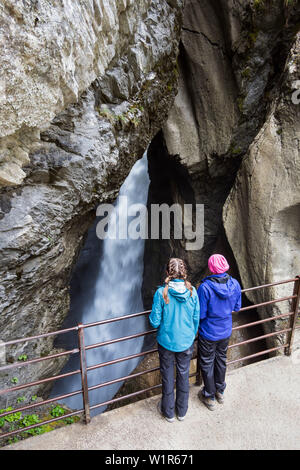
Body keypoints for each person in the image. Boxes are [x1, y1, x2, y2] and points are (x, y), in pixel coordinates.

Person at [149, 258, 200, 422]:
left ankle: (169, 412)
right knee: (184, 375)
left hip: (166, 342)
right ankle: (182, 411)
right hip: (186, 341)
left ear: (167, 273)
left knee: (168, 376)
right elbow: (196, 317)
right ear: (184, 273)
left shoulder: (160, 293)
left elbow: (154, 322)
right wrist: (191, 334)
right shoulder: (192, 291)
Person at [197, 254, 241, 411]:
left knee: (207, 362)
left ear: (211, 268)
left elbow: (201, 314)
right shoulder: (235, 284)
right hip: (225, 330)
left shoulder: (205, 287)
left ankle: (209, 395)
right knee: (221, 359)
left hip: (208, 332)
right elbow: (236, 308)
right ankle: (220, 391)